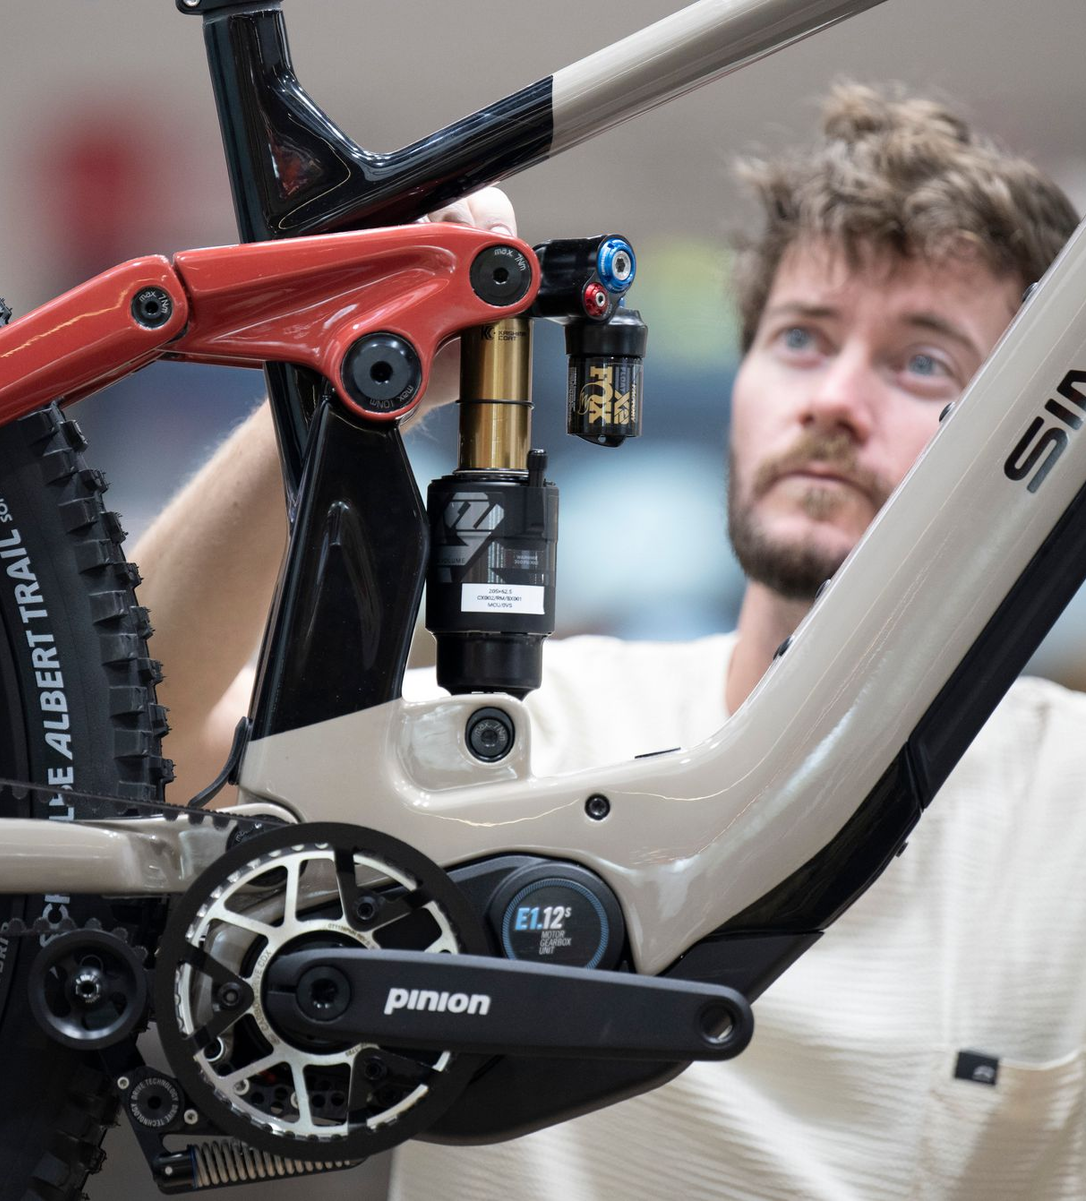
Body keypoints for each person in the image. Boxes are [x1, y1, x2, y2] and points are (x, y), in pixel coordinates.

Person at [134, 85, 1086, 1199]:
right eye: (800, 338)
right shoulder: (543, 732)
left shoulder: (1067, 800)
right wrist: (341, 384)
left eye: (922, 362)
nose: (832, 397)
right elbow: (135, 748)